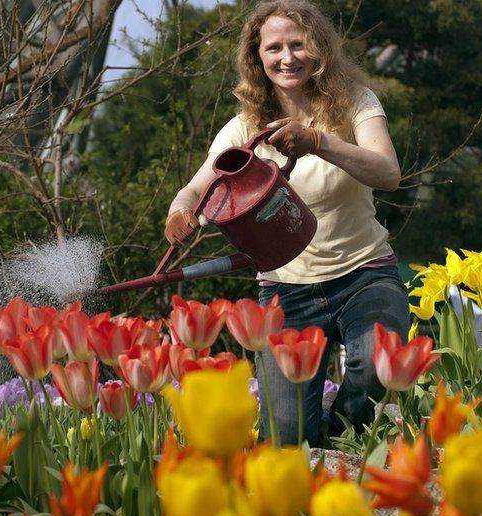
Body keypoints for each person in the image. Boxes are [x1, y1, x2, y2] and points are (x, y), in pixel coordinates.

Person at [163, 0, 409, 446]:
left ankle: (341, 444)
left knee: (377, 365)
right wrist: (180, 213)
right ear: (257, 58)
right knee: (287, 439)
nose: (287, 57)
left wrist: (318, 141)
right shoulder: (244, 128)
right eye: (274, 47)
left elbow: (388, 174)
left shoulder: (355, 104)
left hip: (365, 274)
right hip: (285, 293)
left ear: (319, 51)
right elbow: (194, 190)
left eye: (298, 45)